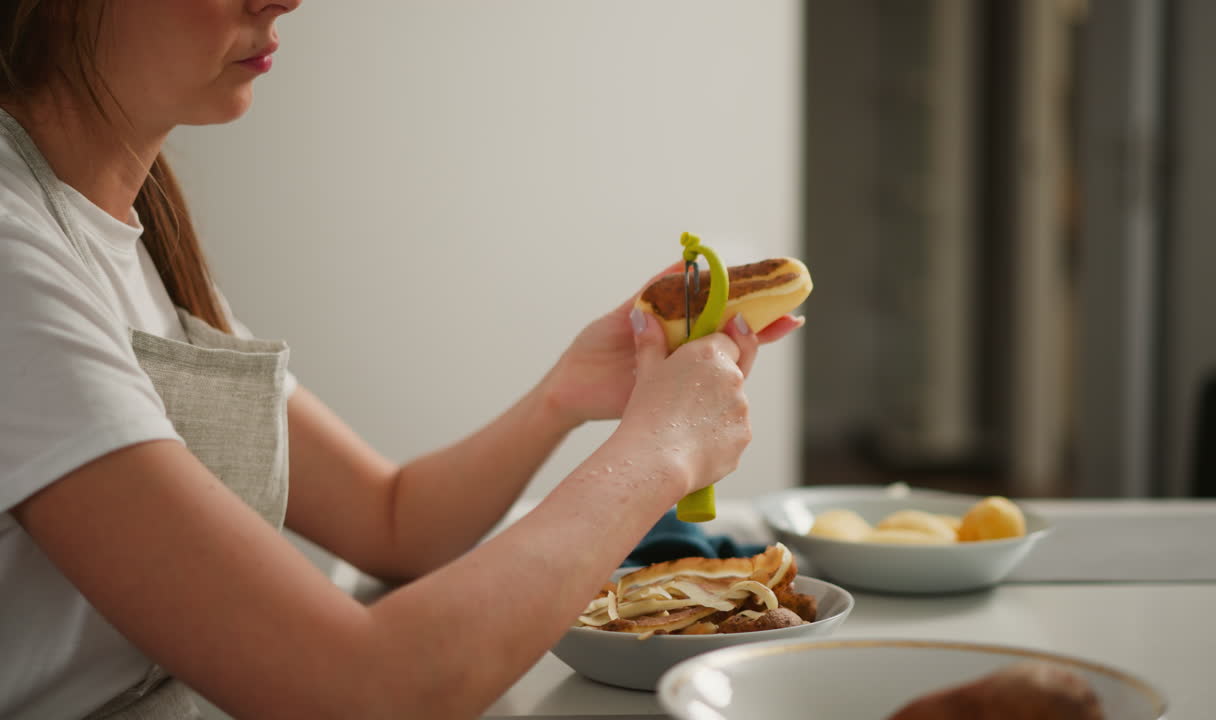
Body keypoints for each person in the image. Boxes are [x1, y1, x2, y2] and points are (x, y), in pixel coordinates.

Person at [0, 2, 804, 718]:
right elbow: (360, 688)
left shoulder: (129, 234)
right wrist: (661, 453)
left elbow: (392, 521)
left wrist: (568, 393)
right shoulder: (15, 263)